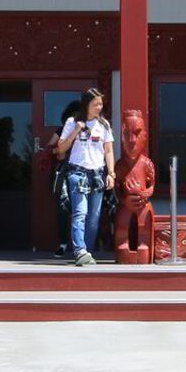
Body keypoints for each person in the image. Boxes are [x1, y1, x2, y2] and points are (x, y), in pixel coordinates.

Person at [55, 88, 115, 265]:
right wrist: (75, 131)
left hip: (97, 172)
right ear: (86, 104)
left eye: (101, 104)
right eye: (95, 104)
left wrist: (111, 173)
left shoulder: (104, 124)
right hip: (77, 171)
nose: (99, 107)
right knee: (80, 212)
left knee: (94, 216)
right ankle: (80, 250)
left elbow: (109, 150)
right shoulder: (72, 122)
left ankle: (87, 251)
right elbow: (60, 149)